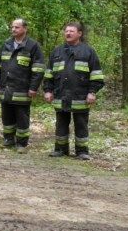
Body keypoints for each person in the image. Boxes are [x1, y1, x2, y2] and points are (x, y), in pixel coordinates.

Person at [44, 22, 104, 160]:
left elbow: (96, 74)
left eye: (71, 31)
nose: (68, 33)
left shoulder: (88, 52)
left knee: (81, 123)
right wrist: (48, 90)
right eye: (66, 31)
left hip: (80, 95)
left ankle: (82, 151)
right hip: (61, 94)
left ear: (79, 34)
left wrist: (92, 92)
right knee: (61, 123)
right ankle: (60, 149)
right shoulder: (57, 51)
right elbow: (49, 73)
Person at [0, 18, 45, 153]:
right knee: (6, 115)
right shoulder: (6, 44)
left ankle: (22, 143)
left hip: (22, 89)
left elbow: (38, 69)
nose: (13, 29)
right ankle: (8, 139)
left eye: (16, 27)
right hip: (6, 88)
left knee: (22, 116)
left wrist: (33, 87)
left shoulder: (33, 46)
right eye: (12, 27)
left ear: (25, 29)